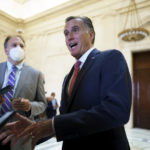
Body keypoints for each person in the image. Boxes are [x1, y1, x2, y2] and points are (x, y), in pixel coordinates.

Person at [0, 16, 132, 150]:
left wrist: (50, 125)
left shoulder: (110, 58)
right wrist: (35, 126)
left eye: (75, 30)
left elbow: (117, 111)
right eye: (66, 33)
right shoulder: (68, 77)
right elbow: (65, 118)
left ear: (91, 34)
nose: (69, 37)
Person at [0, 35, 47, 150]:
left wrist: (30, 106)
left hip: (20, 135)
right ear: (6, 50)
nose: (18, 48)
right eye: (14, 45)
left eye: (21, 46)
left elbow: (42, 103)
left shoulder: (36, 74)